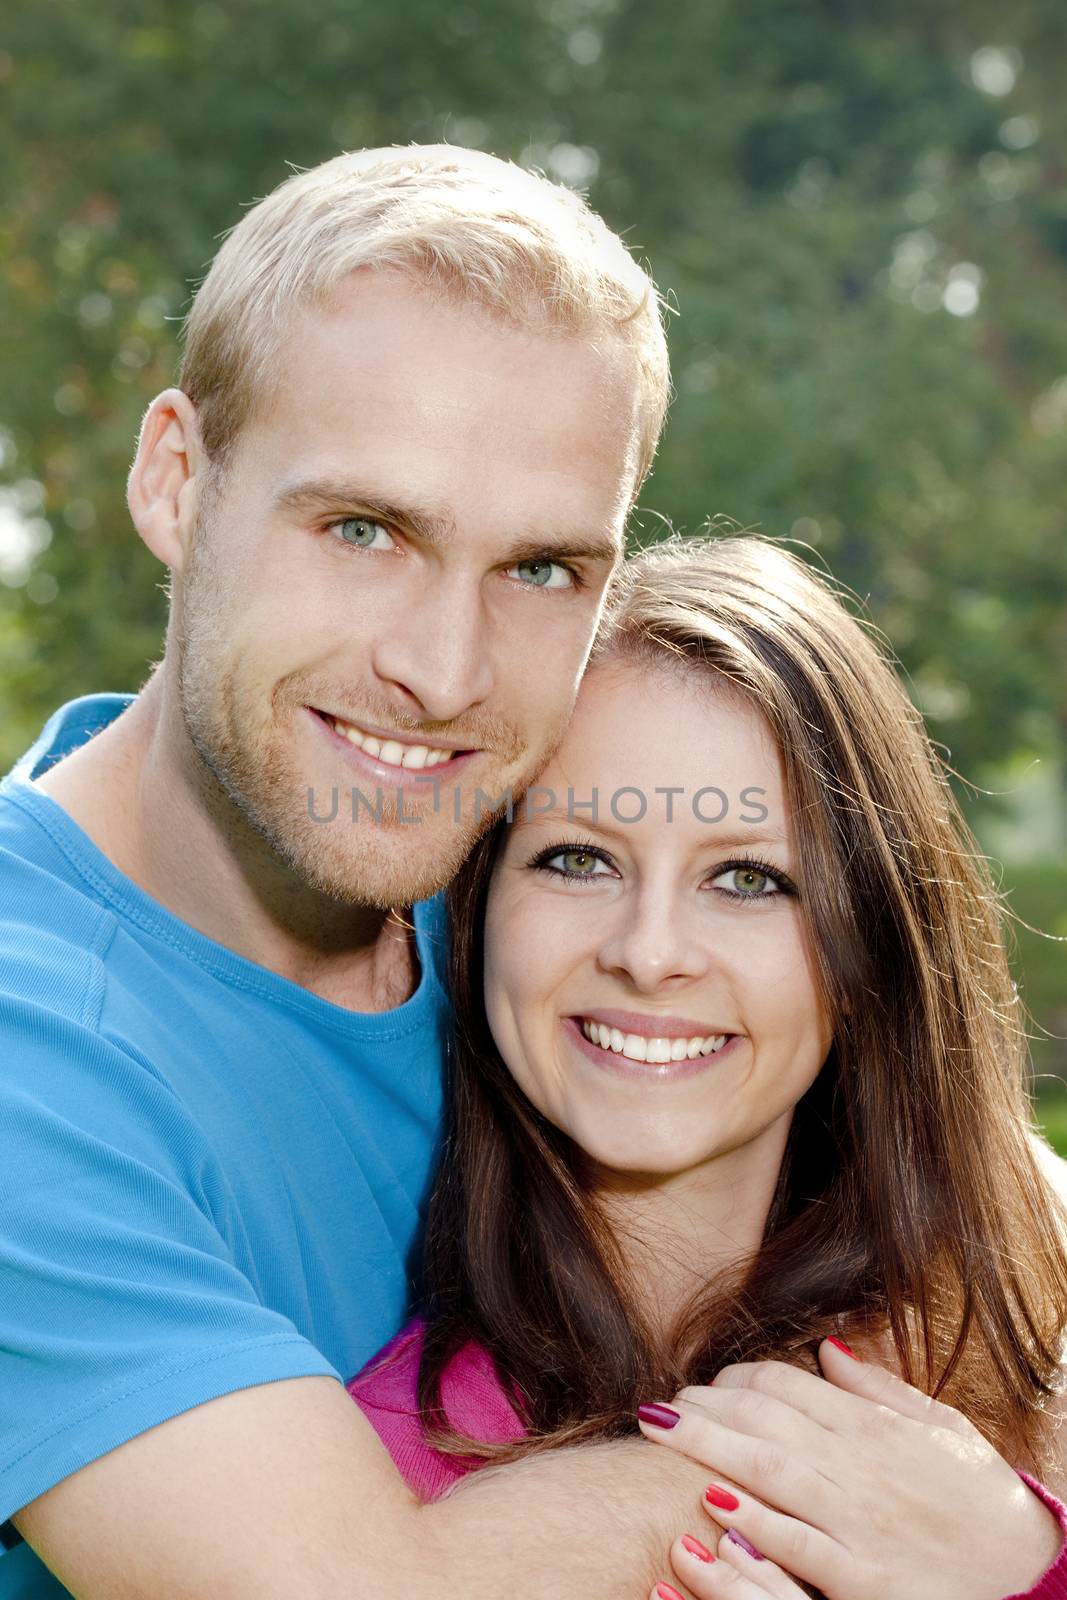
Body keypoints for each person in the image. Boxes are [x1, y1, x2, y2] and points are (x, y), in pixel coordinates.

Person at [0, 145, 727, 1600]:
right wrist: (875, 1445)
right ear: (176, 479)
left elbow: (985, 1205)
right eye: (362, 530)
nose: (440, 672)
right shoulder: (31, 1042)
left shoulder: (560, 904)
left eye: (537, 571)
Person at [347, 533, 1067, 1600]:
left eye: (746, 878)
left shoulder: (1031, 1329)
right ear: (477, 915)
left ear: (860, 944)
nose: (647, 952)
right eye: (577, 858)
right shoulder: (374, 1483)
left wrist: (1023, 1566)